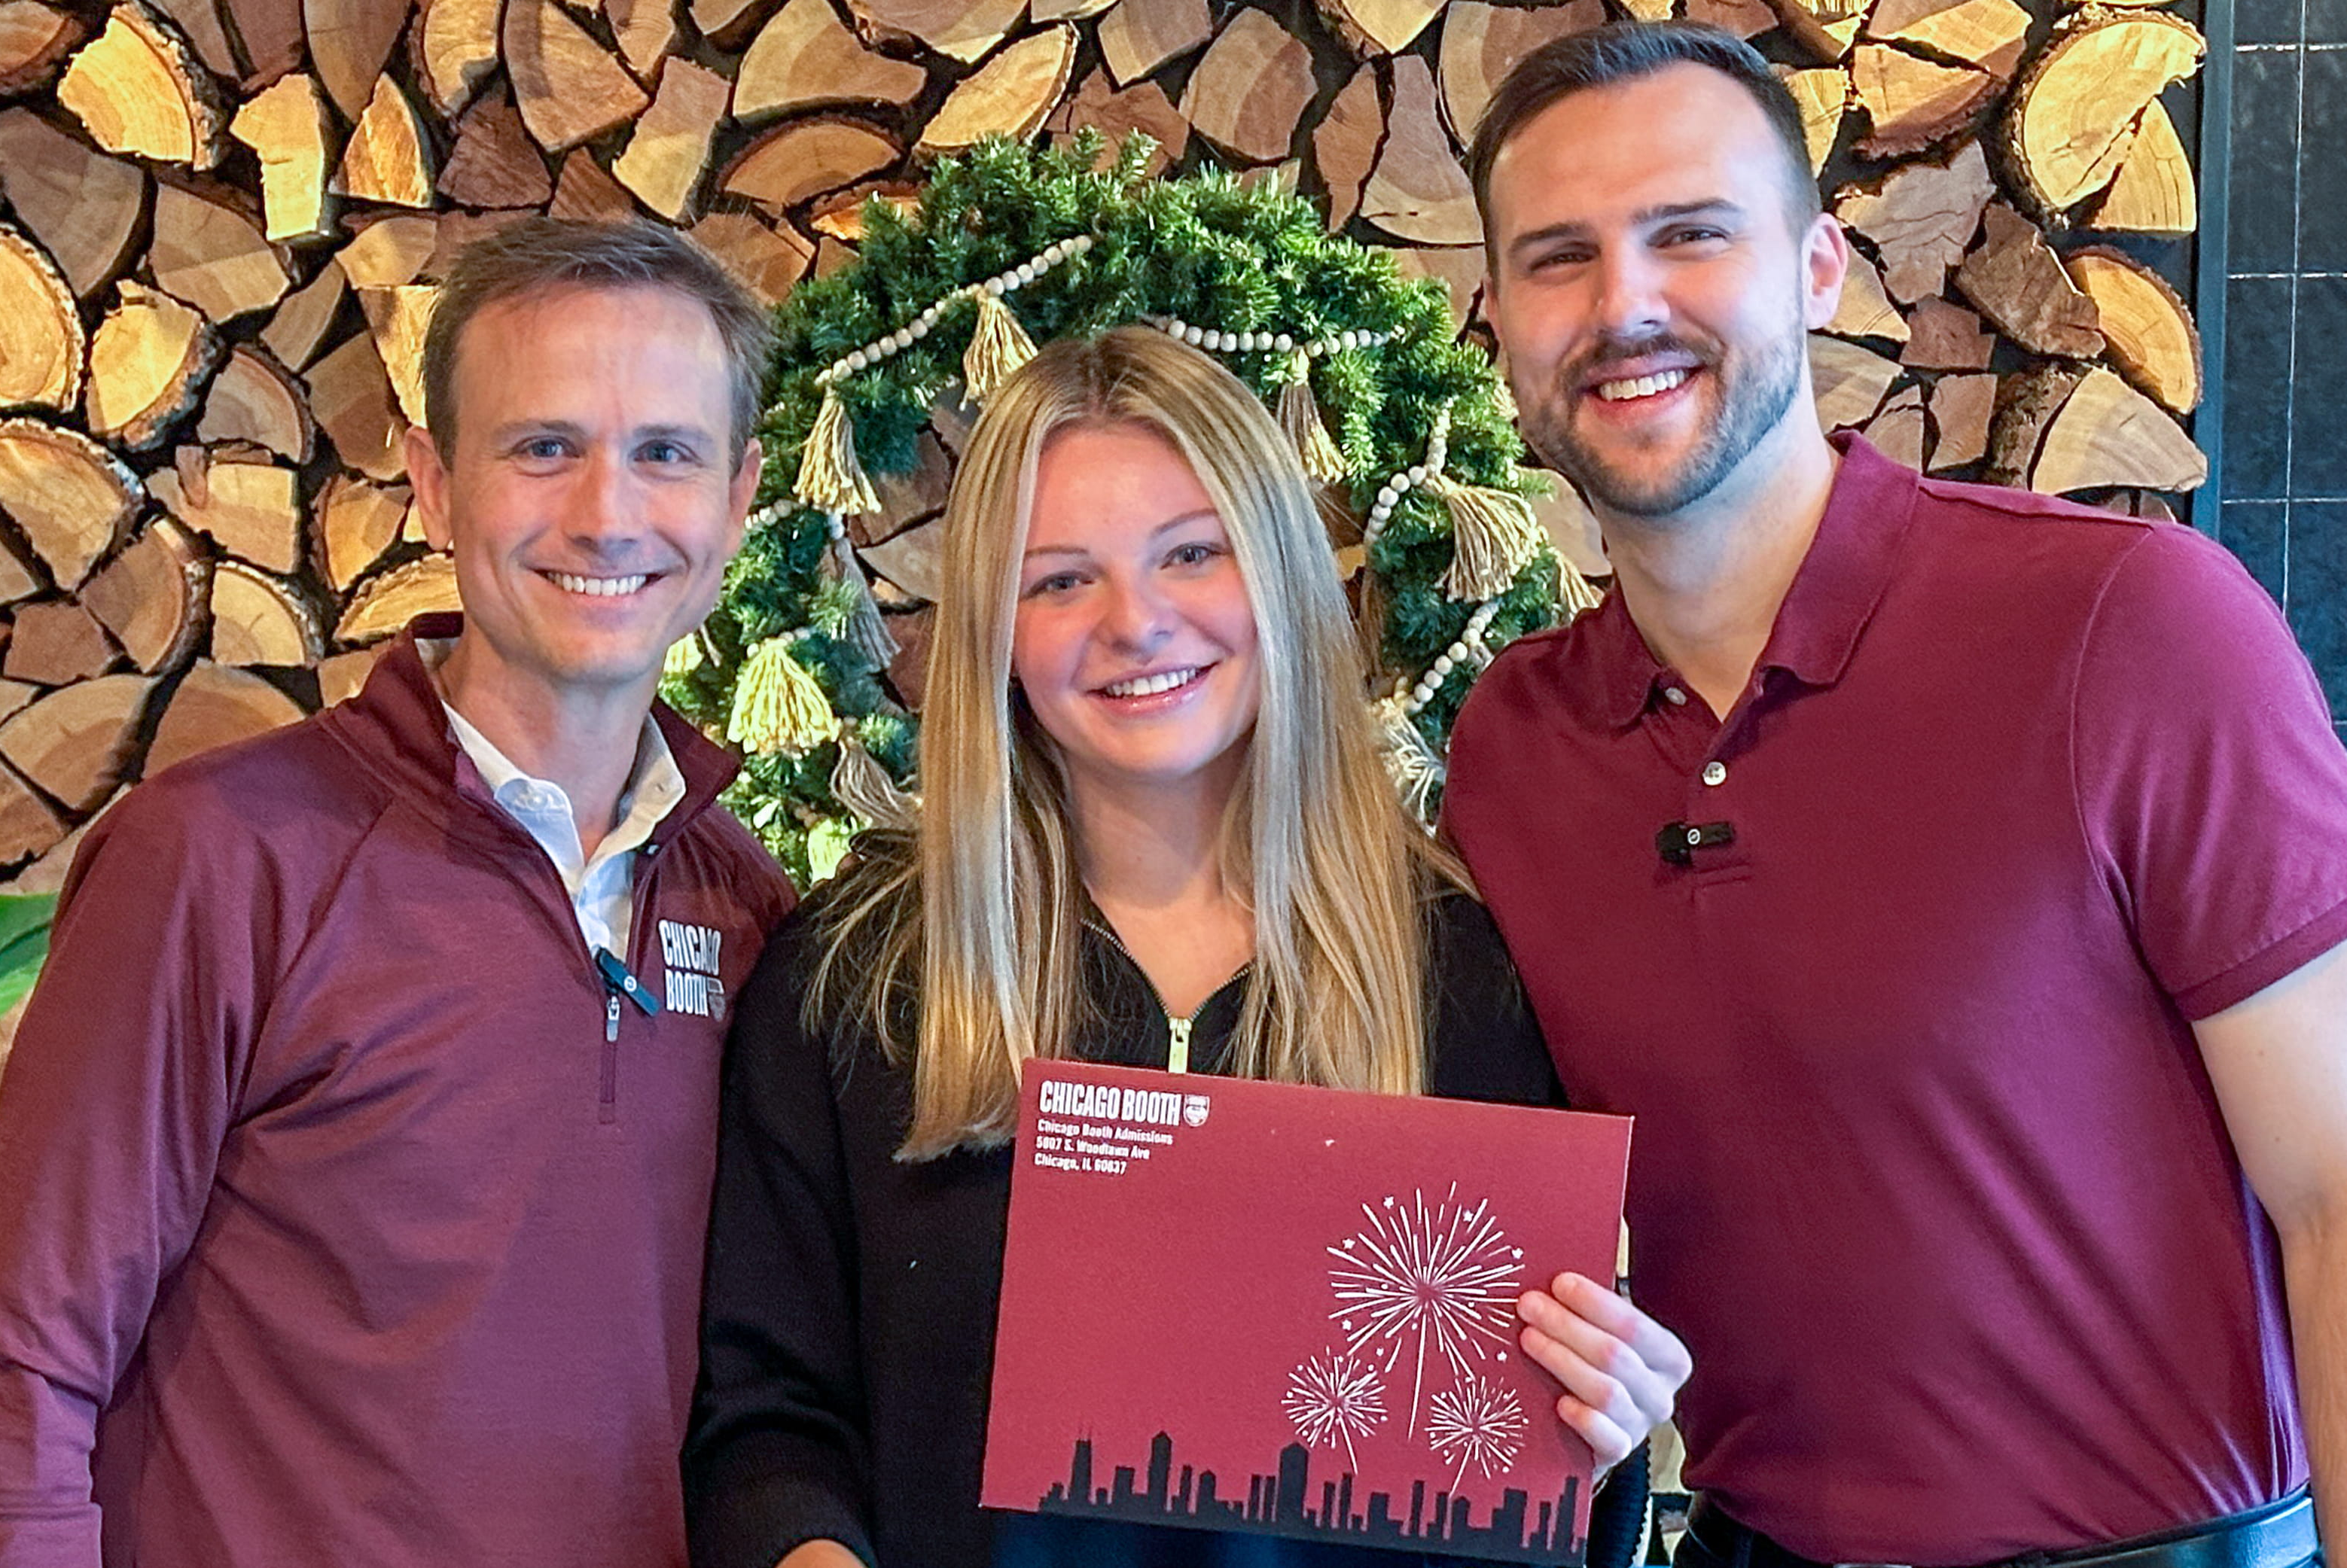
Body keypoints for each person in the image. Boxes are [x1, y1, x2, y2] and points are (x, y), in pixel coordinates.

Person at [1438, 23, 2347, 1568]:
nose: (1624, 305)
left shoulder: (2127, 627)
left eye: (1689, 235)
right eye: (1557, 259)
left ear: (1818, 269)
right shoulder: (1514, 752)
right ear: (1500, 325)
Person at [685, 327, 1690, 1568]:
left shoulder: (1474, 973)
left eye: (1191, 555)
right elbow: (766, 1420)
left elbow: (1530, 1488)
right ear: (995, 629)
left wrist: (1601, 1425)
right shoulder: (859, 980)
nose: (1135, 623)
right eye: (1058, 580)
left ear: (1275, 574)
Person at [0, 218, 800, 1568]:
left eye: (666, 454)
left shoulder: (742, 905)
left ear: (739, 499)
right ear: (436, 485)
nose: (607, 513)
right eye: (544, 447)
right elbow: (26, 1357)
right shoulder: (224, 857)